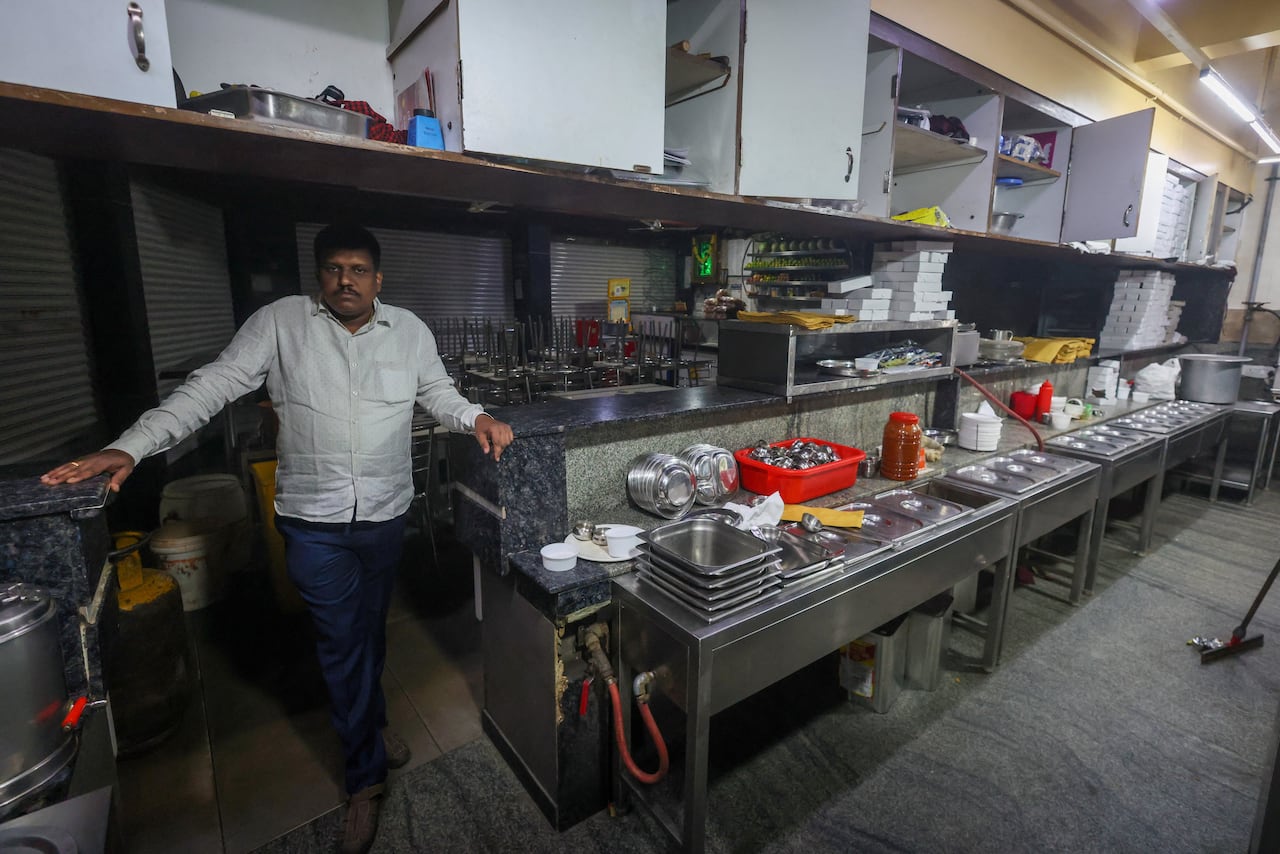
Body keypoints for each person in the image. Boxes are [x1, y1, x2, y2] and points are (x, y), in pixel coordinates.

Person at [42, 223, 513, 854]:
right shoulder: (281, 323)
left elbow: (436, 392)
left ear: (379, 279)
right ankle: (364, 780)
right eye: (333, 268)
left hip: (382, 515)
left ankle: (369, 722)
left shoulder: (411, 331)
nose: (346, 279)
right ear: (319, 276)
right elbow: (212, 384)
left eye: (358, 269)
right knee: (342, 641)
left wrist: (474, 415)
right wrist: (129, 446)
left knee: (369, 628)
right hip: (313, 522)